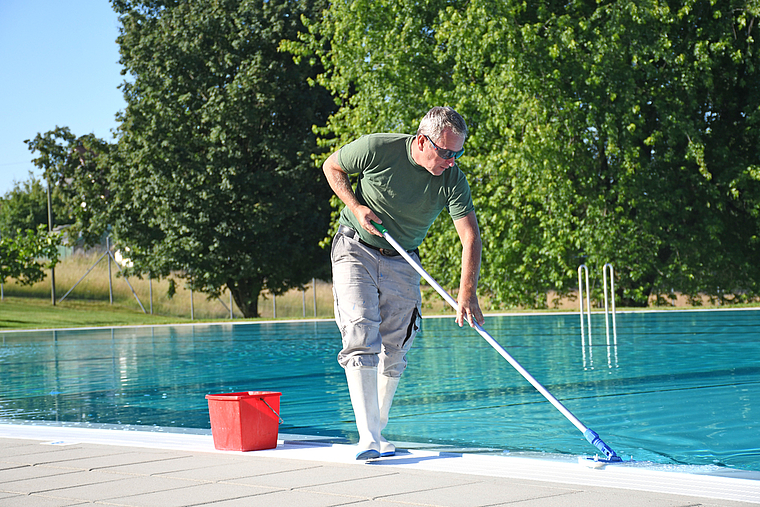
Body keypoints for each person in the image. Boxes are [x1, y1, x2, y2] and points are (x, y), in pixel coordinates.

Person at [323, 106, 484, 460]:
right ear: (423, 141)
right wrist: (355, 204)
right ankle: (367, 438)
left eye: (458, 153)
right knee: (361, 332)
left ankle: (377, 429)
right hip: (356, 247)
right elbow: (331, 166)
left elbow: (470, 236)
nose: (452, 160)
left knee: (396, 349)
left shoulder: (452, 179)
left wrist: (466, 293)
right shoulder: (378, 148)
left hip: (404, 259)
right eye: (446, 152)